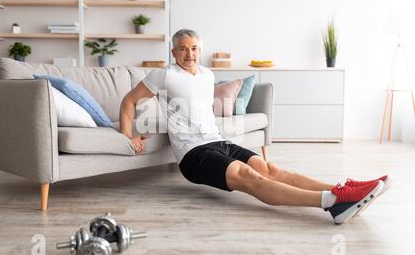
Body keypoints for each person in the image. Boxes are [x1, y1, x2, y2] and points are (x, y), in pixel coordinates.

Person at [119, 29, 390, 225]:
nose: (189, 54)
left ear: (199, 50)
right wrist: (128, 134)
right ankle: (332, 203)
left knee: (269, 169)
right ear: (173, 51)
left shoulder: (207, 75)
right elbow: (129, 101)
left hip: (217, 140)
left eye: (194, 48)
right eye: (183, 49)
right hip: (193, 154)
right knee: (250, 177)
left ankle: (342, 191)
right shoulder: (164, 74)